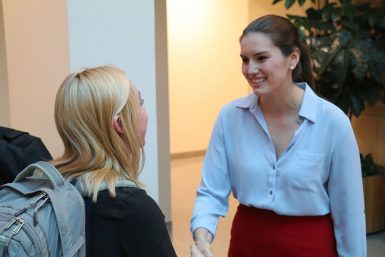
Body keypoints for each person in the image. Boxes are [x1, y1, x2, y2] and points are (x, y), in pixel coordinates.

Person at [190, 15, 366, 257]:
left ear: (292, 58)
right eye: (244, 60)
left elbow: (350, 213)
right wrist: (202, 238)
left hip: (310, 248)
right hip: (247, 245)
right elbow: (211, 192)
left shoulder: (333, 123)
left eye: (261, 58)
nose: (250, 69)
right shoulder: (230, 117)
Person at [51, 66, 177, 257]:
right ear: (120, 124)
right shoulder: (133, 209)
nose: (145, 111)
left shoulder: (49, 186)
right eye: (140, 102)